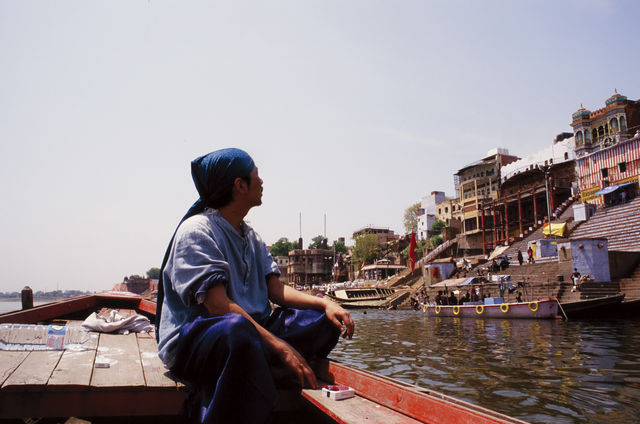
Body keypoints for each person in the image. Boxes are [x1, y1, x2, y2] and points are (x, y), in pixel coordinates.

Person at [156, 148, 354, 424]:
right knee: (237, 329)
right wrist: (281, 347)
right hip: (201, 340)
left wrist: (325, 303)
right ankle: (263, 370)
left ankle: (263, 364)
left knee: (323, 320)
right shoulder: (197, 231)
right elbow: (218, 307)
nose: (261, 182)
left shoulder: (251, 236)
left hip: (253, 332)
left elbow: (276, 290)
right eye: (256, 176)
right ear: (240, 185)